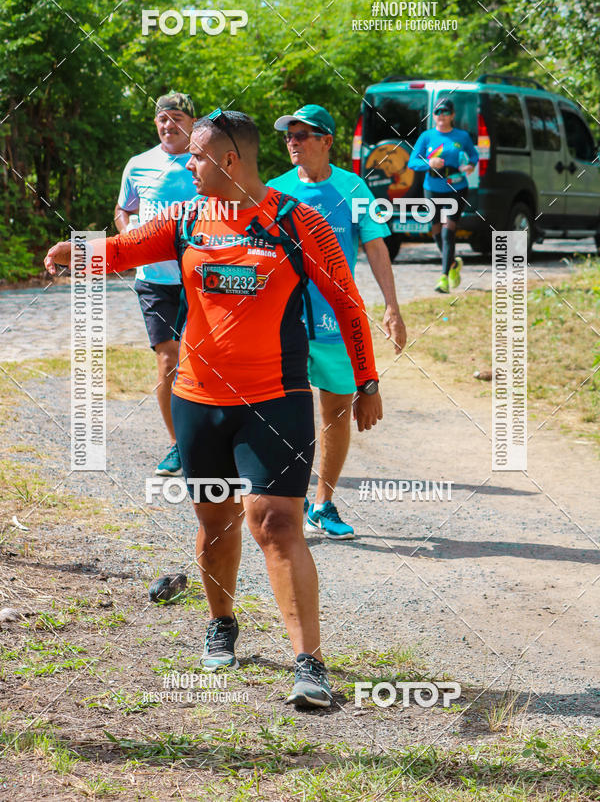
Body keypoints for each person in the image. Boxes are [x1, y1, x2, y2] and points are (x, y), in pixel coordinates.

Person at [45, 110, 383, 709]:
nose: (185, 165)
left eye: (195, 156)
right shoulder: (185, 218)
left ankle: (309, 663)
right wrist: (77, 252)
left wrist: (367, 383)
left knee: (277, 522)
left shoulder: (295, 221)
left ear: (230, 160)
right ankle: (222, 623)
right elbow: (124, 249)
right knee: (216, 521)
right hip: (199, 399)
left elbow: (349, 305)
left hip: (276, 399)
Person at [268, 105, 406, 540]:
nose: (293, 141)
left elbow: (376, 247)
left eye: (304, 135)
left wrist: (392, 307)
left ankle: (322, 504)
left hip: (335, 324)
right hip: (285, 323)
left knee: (336, 412)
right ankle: (287, 500)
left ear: (327, 142)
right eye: (290, 135)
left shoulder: (354, 188)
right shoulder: (275, 190)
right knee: (282, 413)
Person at [114, 91, 196, 476]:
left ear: (192, 122)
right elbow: (123, 209)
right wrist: (129, 234)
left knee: (206, 362)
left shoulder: (206, 161)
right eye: (163, 118)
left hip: (200, 277)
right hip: (154, 280)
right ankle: (178, 444)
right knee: (169, 359)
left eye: (176, 117)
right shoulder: (139, 164)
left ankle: (213, 438)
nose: (169, 125)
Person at [407, 98, 479, 294]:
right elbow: (412, 163)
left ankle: (443, 278)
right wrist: (428, 164)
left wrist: (470, 166)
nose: (441, 116)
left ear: (452, 115)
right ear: (434, 115)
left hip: (456, 188)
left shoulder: (462, 136)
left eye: (446, 112)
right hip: (431, 187)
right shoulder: (426, 137)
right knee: (436, 230)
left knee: (448, 230)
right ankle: (453, 263)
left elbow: (473, 155)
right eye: (438, 112)